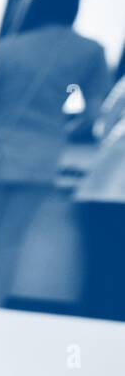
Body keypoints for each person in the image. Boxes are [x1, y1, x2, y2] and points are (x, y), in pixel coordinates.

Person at [0, 0, 111, 307]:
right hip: (41, 156)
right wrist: (59, 127)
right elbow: (93, 113)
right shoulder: (89, 52)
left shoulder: (9, 48)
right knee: (8, 246)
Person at [75, 72, 125, 320]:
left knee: (102, 276)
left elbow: (102, 123)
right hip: (110, 193)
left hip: (101, 192)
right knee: (113, 280)